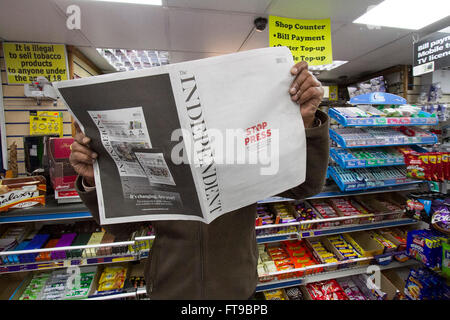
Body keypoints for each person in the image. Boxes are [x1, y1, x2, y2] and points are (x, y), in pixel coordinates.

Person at [70, 60, 329, 299]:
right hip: (169, 289)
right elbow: (121, 228)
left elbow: (306, 186)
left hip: (236, 288)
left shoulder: (243, 148)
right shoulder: (157, 152)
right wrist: (97, 181)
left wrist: (307, 122)